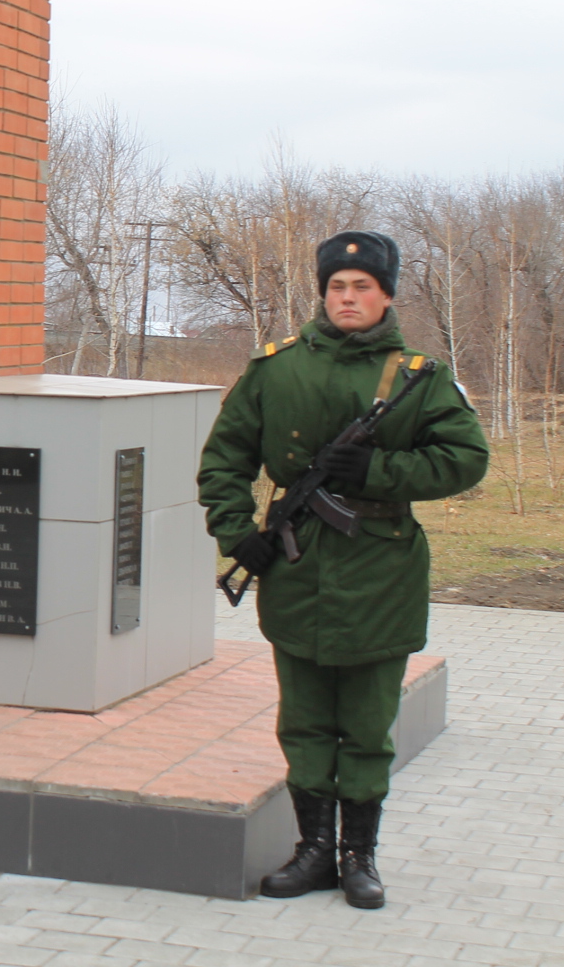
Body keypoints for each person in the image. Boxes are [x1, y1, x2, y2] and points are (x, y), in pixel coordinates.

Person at [198, 231, 488, 909]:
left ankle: (361, 857)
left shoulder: (421, 375)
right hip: (296, 571)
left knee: (365, 724)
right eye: (337, 286)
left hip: (380, 575)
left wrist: (382, 470)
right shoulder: (276, 369)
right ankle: (313, 852)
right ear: (323, 293)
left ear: (386, 294)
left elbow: (466, 459)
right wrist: (241, 536)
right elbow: (224, 461)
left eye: (362, 286)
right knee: (302, 720)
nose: (348, 297)